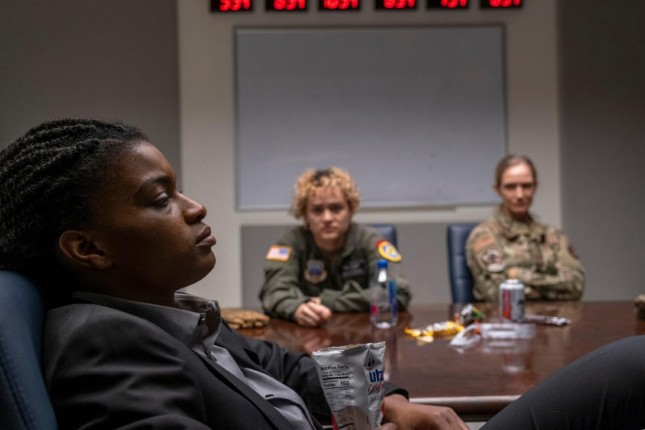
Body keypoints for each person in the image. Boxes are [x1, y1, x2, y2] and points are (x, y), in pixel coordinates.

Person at [2, 119, 644, 430]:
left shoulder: (174, 315)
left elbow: (289, 366)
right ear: (88, 249)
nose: (194, 207)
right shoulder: (103, 343)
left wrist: (391, 403)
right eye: (160, 198)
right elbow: (280, 296)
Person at [259, 167, 412, 327]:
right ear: (304, 214)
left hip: (362, 333)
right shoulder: (290, 242)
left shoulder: (370, 240)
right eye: (317, 210)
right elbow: (273, 292)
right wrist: (296, 308)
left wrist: (327, 301)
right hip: (309, 333)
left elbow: (398, 293)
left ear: (351, 210)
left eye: (336, 208)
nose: (327, 218)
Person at [466, 154, 586, 302]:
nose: (520, 194)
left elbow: (576, 286)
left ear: (535, 186)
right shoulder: (485, 235)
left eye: (526, 186)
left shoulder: (552, 236)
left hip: (555, 315)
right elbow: (497, 294)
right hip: (506, 316)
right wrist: (552, 287)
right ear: (497, 189)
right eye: (510, 187)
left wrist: (518, 275)